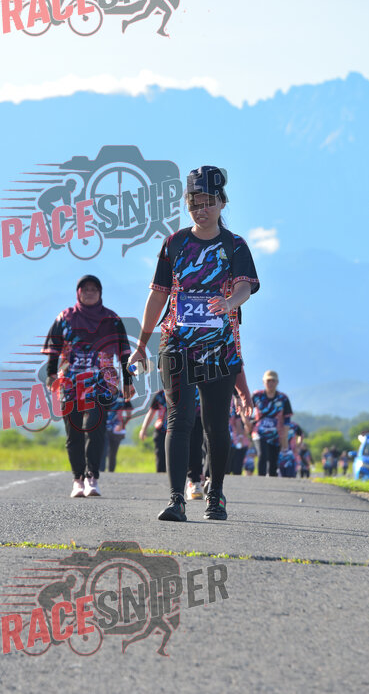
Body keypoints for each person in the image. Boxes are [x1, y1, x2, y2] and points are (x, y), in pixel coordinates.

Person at [128, 165, 259, 521]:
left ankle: (216, 495)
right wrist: (142, 343)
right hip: (176, 344)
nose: (201, 210)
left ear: (222, 203)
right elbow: (158, 295)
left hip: (219, 346)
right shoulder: (174, 243)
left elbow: (245, 287)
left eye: (208, 202)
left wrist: (230, 302)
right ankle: (177, 499)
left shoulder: (234, 245)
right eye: (194, 203)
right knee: (179, 418)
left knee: (215, 424)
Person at [43, 274, 133, 497]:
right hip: (70, 381)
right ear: (78, 293)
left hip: (102, 382)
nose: (90, 293)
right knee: (74, 432)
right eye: (85, 289)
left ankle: (92, 477)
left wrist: (128, 381)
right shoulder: (65, 317)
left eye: (94, 289)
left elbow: (124, 353)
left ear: (100, 293)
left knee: (95, 427)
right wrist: (51, 374)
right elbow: (54, 347)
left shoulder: (111, 319)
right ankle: (77, 479)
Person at [251, 370, 290, 477]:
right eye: (268, 381)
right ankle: (261, 479)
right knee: (262, 454)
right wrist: (246, 423)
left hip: (276, 434)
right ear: (264, 382)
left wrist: (284, 437)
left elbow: (287, 419)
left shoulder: (283, 398)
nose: (270, 383)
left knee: (273, 461)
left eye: (273, 381)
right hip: (259, 432)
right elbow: (246, 409)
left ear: (277, 382)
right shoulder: (257, 395)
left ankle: (272, 482)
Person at [100, 397, 133, 473]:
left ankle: (111, 472)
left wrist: (123, 424)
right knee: (103, 451)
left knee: (112, 453)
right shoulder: (102, 396)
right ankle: (101, 471)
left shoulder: (123, 399)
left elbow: (129, 414)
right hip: (104, 428)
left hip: (117, 430)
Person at [140, 390, 167, 473]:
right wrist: (143, 429)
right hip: (161, 429)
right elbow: (151, 412)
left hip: (178, 430)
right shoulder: (160, 395)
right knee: (160, 455)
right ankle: (160, 475)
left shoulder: (183, 392)